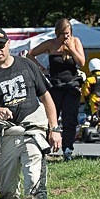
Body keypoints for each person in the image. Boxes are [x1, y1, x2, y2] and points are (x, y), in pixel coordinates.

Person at [0, 27, 62, 199]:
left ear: (8, 43)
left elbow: (46, 98)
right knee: (7, 191)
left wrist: (54, 129)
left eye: (1, 45)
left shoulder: (26, 65)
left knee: (34, 182)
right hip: (6, 136)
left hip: (32, 131)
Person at [28, 18, 85, 161]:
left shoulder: (75, 42)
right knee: (51, 119)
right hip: (55, 85)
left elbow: (82, 63)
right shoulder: (50, 44)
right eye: (63, 34)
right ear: (57, 33)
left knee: (70, 119)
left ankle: (68, 149)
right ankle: (46, 148)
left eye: (68, 33)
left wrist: (71, 49)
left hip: (72, 86)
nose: (66, 36)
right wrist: (42, 69)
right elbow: (30, 54)